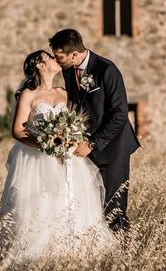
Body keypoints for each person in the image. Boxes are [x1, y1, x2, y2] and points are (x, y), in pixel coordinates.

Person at [0, 50, 114, 262]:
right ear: (41, 66)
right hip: (38, 160)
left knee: (72, 201)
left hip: (68, 159)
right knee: (43, 202)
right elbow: (17, 130)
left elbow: (77, 122)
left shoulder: (65, 92)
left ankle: (75, 253)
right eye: (50, 57)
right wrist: (47, 145)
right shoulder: (29, 94)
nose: (55, 59)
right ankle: (40, 256)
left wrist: (70, 140)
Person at [49, 29, 141, 232]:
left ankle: (124, 255)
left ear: (73, 54)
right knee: (90, 207)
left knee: (114, 209)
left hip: (112, 149)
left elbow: (119, 115)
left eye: (59, 57)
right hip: (83, 151)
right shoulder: (68, 70)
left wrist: (91, 144)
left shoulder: (107, 70)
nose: (56, 61)